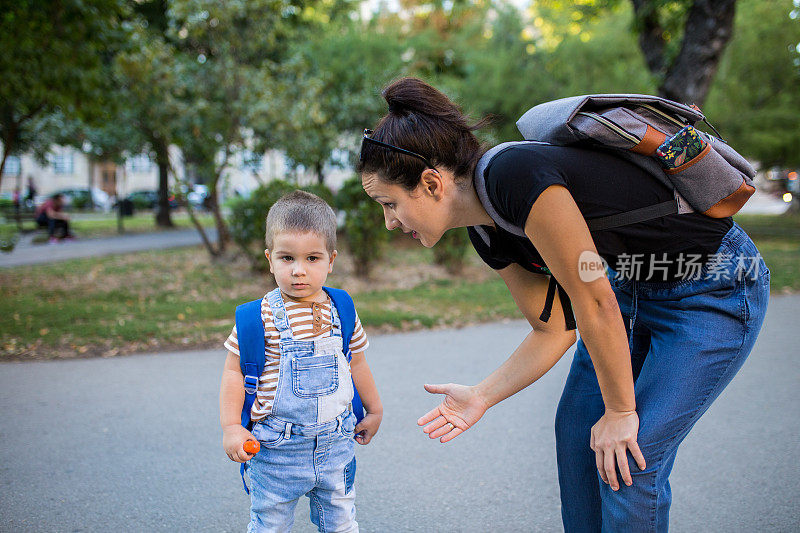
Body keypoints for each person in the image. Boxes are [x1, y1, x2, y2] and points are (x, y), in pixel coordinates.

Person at [357, 77, 769, 532]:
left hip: (713, 287)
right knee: (578, 441)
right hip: (632, 289)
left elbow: (594, 300)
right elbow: (554, 328)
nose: (389, 222)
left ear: (432, 183)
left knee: (630, 462)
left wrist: (619, 412)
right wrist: (481, 395)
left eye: (389, 203)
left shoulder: (515, 177)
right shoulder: (485, 230)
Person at [219, 191, 383, 533]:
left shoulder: (342, 309)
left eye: (312, 258)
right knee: (270, 525)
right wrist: (232, 427)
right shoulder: (257, 317)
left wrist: (374, 410)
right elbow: (234, 374)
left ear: (331, 260)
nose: (298, 271)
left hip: (336, 443)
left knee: (341, 523)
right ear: (269, 259)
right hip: (276, 449)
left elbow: (358, 365)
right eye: (286, 258)